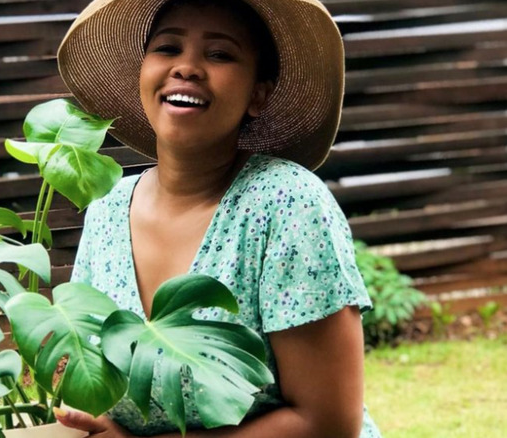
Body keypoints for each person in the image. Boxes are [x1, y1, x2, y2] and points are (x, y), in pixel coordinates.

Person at [53, 0, 382, 436]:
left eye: (220, 54)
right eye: (168, 48)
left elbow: (327, 422)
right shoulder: (107, 210)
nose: (186, 68)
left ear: (258, 94)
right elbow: (86, 374)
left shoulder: (286, 203)